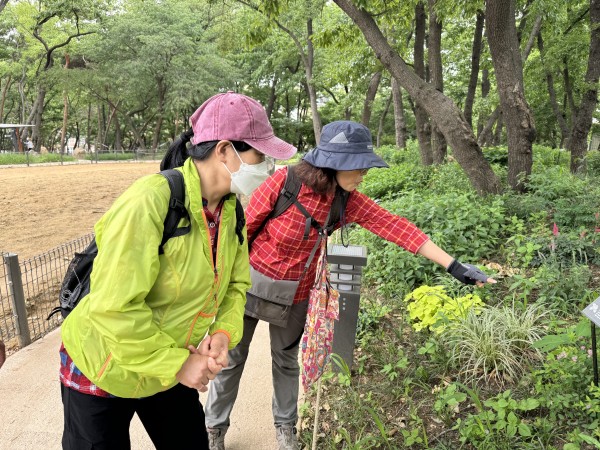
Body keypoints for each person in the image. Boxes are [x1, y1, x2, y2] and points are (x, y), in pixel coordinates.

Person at [204, 120, 496, 450]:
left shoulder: (348, 201)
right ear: (333, 163)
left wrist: (454, 265)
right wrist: (218, 285)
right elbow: (240, 235)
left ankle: (285, 430)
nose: (361, 176)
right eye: (356, 167)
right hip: (249, 286)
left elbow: (396, 227)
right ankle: (214, 428)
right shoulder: (284, 182)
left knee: (286, 362)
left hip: (297, 295)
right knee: (230, 360)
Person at [58, 91, 296, 450]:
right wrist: (178, 365)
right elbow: (114, 308)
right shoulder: (150, 201)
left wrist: (223, 333)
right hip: (103, 364)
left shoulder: (231, 210)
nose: (268, 167)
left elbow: (235, 284)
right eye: (260, 155)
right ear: (224, 151)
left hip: (166, 364)